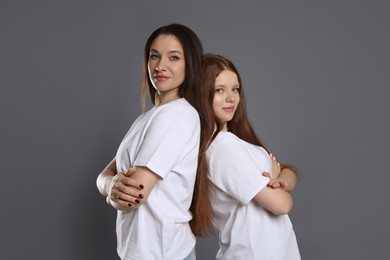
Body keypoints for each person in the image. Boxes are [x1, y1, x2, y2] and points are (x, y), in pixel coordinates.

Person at [96, 23, 204, 260]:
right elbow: (106, 174)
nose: (160, 66)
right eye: (154, 56)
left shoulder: (175, 116)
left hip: (163, 253)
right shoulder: (147, 118)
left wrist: (110, 186)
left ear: (190, 65)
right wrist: (109, 184)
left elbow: (131, 199)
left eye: (173, 57)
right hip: (142, 251)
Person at [190, 53, 301, 259]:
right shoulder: (223, 149)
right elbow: (282, 204)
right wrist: (277, 184)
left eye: (235, 89)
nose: (231, 98)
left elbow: (288, 171)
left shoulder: (235, 140)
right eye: (219, 90)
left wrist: (279, 181)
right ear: (201, 94)